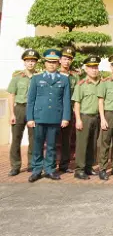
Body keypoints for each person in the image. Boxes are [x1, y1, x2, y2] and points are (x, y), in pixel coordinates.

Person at [26, 49, 72, 183]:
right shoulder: (36, 78)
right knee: (37, 145)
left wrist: (65, 117)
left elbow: (66, 100)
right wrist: (30, 118)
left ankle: (50, 169)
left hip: (55, 117)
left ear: (58, 63)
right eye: (49, 62)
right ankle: (36, 170)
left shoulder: (64, 79)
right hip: (39, 117)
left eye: (54, 62)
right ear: (45, 63)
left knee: (52, 145)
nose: (51, 64)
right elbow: (31, 100)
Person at [8, 49, 39, 176]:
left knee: (34, 139)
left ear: (36, 63)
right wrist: (12, 113)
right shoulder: (17, 78)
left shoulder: (39, 77)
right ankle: (15, 166)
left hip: (34, 110)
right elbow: (11, 95)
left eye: (33, 61)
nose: (30, 63)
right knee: (16, 138)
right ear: (24, 62)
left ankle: (32, 164)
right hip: (20, 109)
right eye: (28, 61)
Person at [72, 56, 103, 180]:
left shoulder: (101, 83)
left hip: (96, 117)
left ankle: (89, 167)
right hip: (84, 117)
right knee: (82, 144)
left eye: (96, 67)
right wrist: (78, 119)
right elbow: (77, 103)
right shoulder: (81, 85)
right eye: (91, 68)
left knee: (92, 144)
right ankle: (79, 169)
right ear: (86, 69)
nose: (94, 70)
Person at [57, 46, 78, 174]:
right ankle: (50, 164)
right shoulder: (54, 74)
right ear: (59, 60)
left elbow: (78, 95)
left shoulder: (75, 76)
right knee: (52, 138)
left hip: (69, 110)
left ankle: (64, 165)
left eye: (69, 59)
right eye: (64, 58)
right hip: (55, 110)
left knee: (66, 139)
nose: (67, 61)